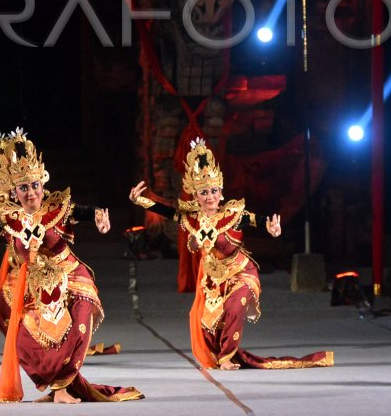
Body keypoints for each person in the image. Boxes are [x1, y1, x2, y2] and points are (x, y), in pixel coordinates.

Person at [0, 127, 143, 403]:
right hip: (35, 285)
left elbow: (88, 211)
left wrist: (100, 220)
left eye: (35, 185)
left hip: (70, 277)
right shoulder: (9, 218)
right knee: (24, 341)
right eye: (24, 188)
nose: (31, 193)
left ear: (43, 184)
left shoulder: (58, 208)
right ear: (15, 191)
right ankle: (57, 386)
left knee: (79, 326)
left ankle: (62, 388)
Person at [129, 137, 333, 371]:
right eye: (204, 192)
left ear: (221, 191)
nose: (210, 197)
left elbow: (258, 220)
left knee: (236, 304)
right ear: (196, 195)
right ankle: (221, 353)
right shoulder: (193, 219)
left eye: (214, 191)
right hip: (213, 280)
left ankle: (227, 356)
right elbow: (168, 211)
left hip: (241, 271)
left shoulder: (234, 215)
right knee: (207, 326)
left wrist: (271, 226)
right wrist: (141, 200)